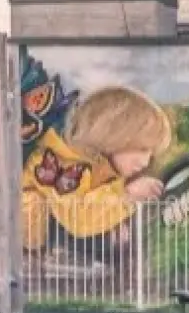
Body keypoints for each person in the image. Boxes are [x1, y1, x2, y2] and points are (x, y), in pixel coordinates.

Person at [21, 85, 173, 249]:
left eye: (150, 153)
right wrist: (127, 195)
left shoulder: (105, 168)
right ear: (115, 138)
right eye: (142, 149)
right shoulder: (69, 166)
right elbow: (78, 219)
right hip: (32, 241)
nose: (145, 162)